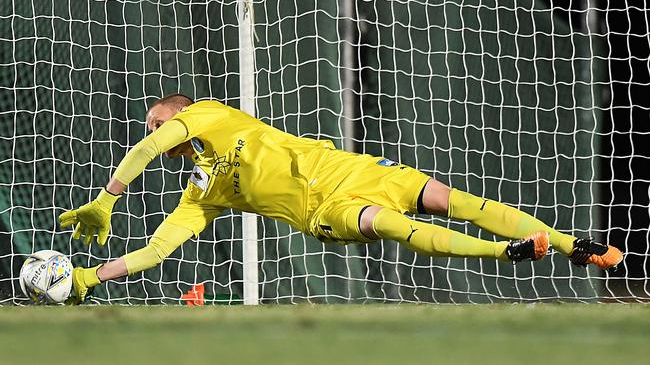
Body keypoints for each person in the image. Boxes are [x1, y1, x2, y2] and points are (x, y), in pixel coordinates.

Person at [59, 94, 624, 303]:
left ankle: (575, 245)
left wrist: (109, 196)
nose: (155, 129)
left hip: (345, 166)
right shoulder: (201, 193)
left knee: (447, 197)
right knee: (387, 224)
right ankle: (506, 255)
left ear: (183, 114)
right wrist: (89, 277)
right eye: (152, 123)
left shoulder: (211, 115)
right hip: (323, 212)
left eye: (161, 119)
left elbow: (154, 143)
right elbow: (158, 251)